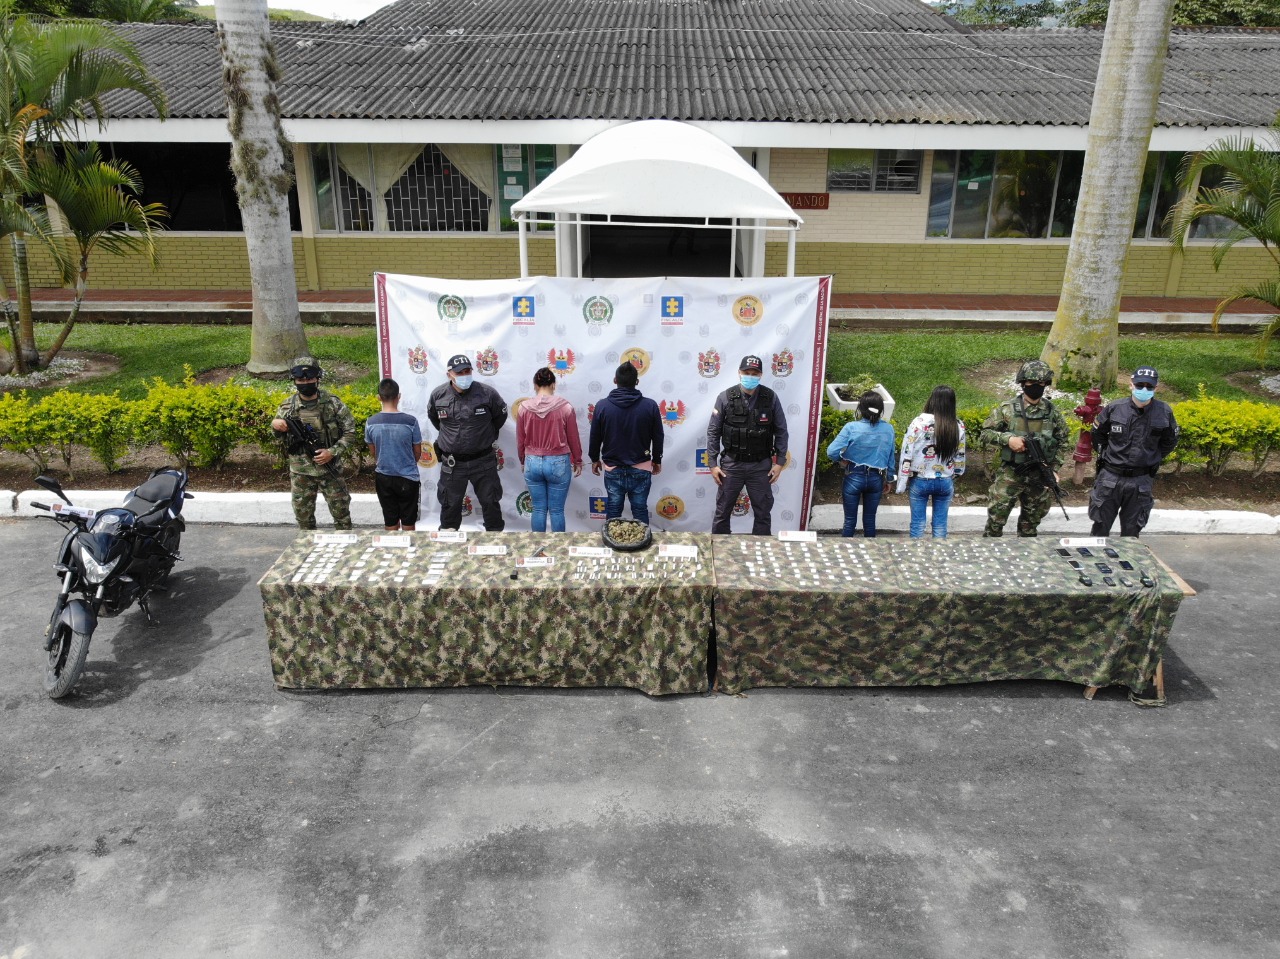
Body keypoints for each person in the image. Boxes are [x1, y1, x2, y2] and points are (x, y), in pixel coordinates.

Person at [979, 359, 1070, 538]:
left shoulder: (1052, 412)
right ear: (1022, 383)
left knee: (1031, 524)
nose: (1036, 386)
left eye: (1041, 383)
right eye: (1031, 382)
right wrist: (1008, 439)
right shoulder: (1007, 409)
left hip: (1039, 474)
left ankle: (1026, 550)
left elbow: (1063, 441)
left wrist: (1054, 469)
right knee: (996, 518)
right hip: (1011, 472)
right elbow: (985, 433)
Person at [1089, 365, 1180, 538]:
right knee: (1100, 529)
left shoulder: (1164, 412)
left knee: (1132, 533)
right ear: (1131, 385)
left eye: (1149, 386)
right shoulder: (1115, 408)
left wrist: (1152, 457)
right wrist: (1106, 454)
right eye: (1140, 385)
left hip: (1141, 481)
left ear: (1156, 388)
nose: (1144, 390)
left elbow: (1170, 441)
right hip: (1110, 478)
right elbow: (1097, 434)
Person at [271, 355, 357, 530]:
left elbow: (350, 432)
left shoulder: (332, 403)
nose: (305, 383)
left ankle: (345, 544)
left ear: (317, 378)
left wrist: (331, 452)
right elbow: (278, 437)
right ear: (294, 381)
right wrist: (275, 426)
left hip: (330, 469)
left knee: (342, 515)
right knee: (303, 517)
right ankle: (307, 544)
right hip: (301, 472)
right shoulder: (287, 407)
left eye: (309, 379)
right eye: (301, 380)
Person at [706, 355, 790, 536]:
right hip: (732, 465)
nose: (750, 376)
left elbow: (781, 431)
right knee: (722, 512)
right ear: (739, 372)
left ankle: (761, 549)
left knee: (763, 513)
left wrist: (780, 462)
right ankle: (720, 549)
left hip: (760, 466)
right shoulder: (725, 397)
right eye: (746, 372)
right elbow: (713, 431)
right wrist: (712, 464)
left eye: (754, 373)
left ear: (760, 375)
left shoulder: (770, 397)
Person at [427, 354, 508, 531]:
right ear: (449, 374)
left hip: (483, 461)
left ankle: (495, 542)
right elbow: (435, 420)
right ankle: (449, 541)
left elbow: (500, 417)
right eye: (459, 373)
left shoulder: (487, 393)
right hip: (453, 464)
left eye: (467, 371)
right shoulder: (438, 395)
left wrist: (486, 435)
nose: (464, 375)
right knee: (450, 505)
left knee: (491, 502)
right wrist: (451, 438)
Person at [588, 361, 664, 524]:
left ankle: (611, 539)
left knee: (613, 510)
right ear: (637, 382)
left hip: (613, 469)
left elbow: (595, 436)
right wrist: (657, 460)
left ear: (615, 380)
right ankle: (643, 540)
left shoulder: (602, 406)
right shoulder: (650, 405)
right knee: (640, 510)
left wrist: (594, 459)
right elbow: (658, 436)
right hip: (641, 468)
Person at [516, 367, 584, 532]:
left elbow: (520, 440)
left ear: (535, 385)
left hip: (532, 461)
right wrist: (577, 460)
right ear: (554, 384)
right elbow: (573, 437)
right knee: (557, 510)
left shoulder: (523, 408)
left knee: (538, 509)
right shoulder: (565, 407)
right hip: (558, 462)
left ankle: (538, 546)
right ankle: (558, 546)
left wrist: (523, 460)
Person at [896, 385, 966, 539]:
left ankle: (916, 552)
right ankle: (938, 553)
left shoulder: (918, 423)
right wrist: (956, 473)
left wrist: (902, 482)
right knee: (940, 524)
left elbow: (906, 453)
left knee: (917, 524)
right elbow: (960, 455)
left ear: (932, 400)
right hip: (945, 481)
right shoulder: (958, 425)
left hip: (920, 480)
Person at [826, 390, 896, 537]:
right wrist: (889, 479)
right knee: (870, 520)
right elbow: (891, 458)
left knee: (849, 521)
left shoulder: (851, 427)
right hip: (876, 478)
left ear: (861, 408)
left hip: (853, 476)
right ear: (880, 409)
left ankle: (846, 549)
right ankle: (870, 549)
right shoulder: (888, 429)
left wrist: (841, 460)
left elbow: (831, 451)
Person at [365, 377, 423, 531]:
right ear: (399, 396)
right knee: (409, 521)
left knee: (390, 521)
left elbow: (373, 452)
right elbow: (417, 452)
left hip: (383, 477)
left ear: (379, 397)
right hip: (408, 477)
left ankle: (391, 546)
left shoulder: (370, 422)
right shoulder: (411, 421)